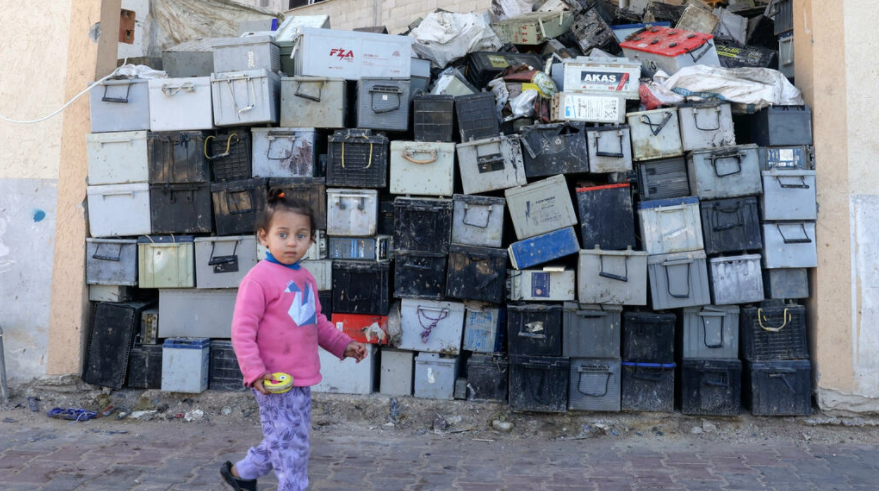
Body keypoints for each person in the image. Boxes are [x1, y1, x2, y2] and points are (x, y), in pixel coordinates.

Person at [220, 188, 368, 491]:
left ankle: (240, 473)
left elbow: (316, 323)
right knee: (293, 449)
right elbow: (242, 332)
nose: (292, 242)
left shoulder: (306, 279)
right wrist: (255, 372)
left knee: (284, 437)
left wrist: (343, 344)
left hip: (301, 380)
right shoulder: (258, 279)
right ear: (264, 237)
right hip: (274, 380)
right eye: (283, 234)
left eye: (301, 236)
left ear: (312, 240)